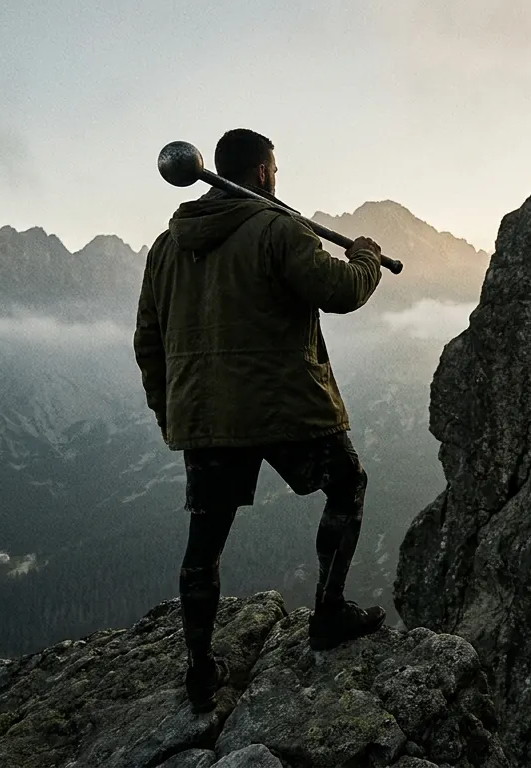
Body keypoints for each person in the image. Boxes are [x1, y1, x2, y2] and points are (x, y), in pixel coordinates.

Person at [133, 128, 387, 710]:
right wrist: (368, 257)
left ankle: (199, 670)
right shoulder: (279, 228)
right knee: (347, 485)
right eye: (275, 166)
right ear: (263, 172)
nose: (277, 175)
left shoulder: (166, 248)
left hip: (207, 415)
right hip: (285, 405)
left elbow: (148, 341)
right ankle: (328, 612)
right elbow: (343, 290)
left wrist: (171, 410)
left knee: (204, 542)